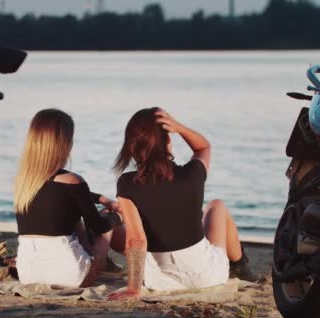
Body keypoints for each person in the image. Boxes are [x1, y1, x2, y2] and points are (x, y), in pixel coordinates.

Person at [108, 107, 257, 301]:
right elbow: (203, 147)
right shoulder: (192, 174)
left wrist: (134, 288)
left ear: (131, 146)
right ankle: (239, 265)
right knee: (217, 206)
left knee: (117, 222)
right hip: (207, 277)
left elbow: (136, 240)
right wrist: (179, 127)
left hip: (160, 282)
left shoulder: (127, 183)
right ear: (168, 142)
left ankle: (239, 265)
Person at [14, 109, 124, 288]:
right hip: (73, 277)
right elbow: (99, 226)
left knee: (72, 214)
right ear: (64, 143)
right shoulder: (73, 180)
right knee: (106, 221)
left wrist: (101, 198)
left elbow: (60, 194)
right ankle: (120, 264)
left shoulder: (23, 181)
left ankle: (104, 261)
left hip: (28, 275)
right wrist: (118, 215)